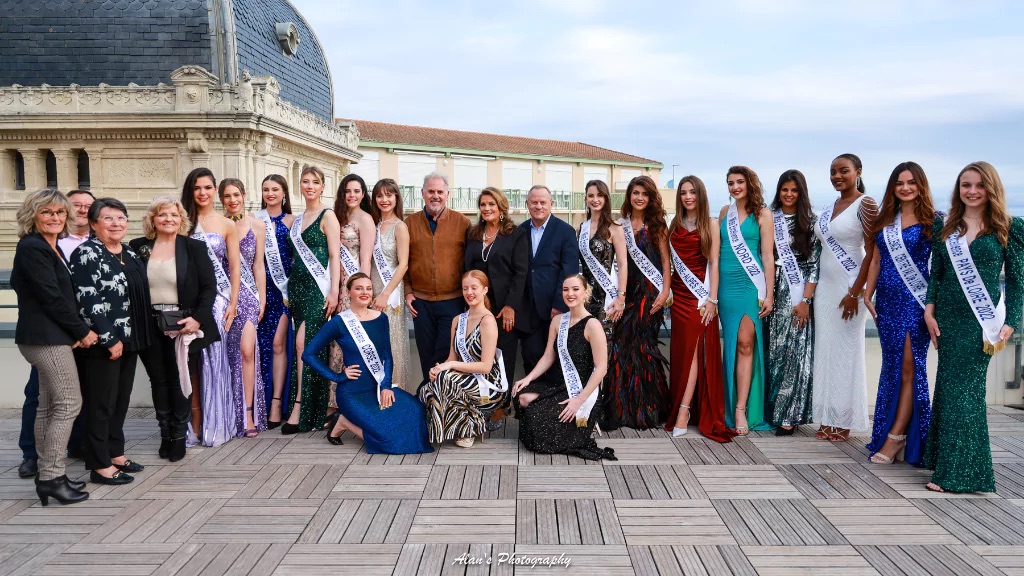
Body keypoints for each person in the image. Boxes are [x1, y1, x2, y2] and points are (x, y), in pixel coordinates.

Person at [923, 161, 1023, 493]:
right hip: (948, 320)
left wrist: (1013, 321)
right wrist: (929, 311)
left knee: (964, 393)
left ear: (991, 189)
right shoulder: (946, 227)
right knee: (950, 388)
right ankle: (949, 461)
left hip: (983, 323)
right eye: (966, 185)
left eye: (979, 185)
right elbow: (936, 275)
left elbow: (1019, 284)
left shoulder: (1009, 227)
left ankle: (960, 473)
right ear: (958, 189)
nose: (972, 191)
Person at [13, 188, 97, 505]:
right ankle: (51, 476)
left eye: (60, 213)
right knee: (69, 404)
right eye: (47, 212)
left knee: (49, 408)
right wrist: (81, 331)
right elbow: (52, 298)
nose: (55, 218)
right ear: (33, 215)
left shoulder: (53, 247)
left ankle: (50, 474)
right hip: (44, 338)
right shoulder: (33, 247)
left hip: (51, 336)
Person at [69, 197, 154, 485]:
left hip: (130, 339)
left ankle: (115, 452)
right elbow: (88, 299)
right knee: (100, 404)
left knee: (120, 401)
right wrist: (109, 338)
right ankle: (98, 463)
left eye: (120, 217)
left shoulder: (129, 252)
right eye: (108, 218)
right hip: (104, 343)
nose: (116, 223)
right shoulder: (86, 254)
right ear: (94, 224)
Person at [302, 273, 433, 454]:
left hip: (378, 389)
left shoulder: (381, 318)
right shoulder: (340, 322)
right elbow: (308, 354)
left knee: (415, 410)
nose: (365, 292)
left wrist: (386, 387)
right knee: (389, 438)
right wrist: (337, 376)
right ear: (348, 292)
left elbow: (387, 355)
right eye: (359, 288)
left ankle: (351, 422)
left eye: (368, 288)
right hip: (352, 393)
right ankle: (343, 422)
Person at [131, 197, 218, 463]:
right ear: (152, 219)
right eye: (162, 215)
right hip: (148, 322)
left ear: (181, 219)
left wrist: (197, 320)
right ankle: (165, 434)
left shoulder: (193, 248)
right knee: (158, 380)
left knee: (180, 379)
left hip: (182, 324)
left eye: (173, 214)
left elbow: (208, 288)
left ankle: (179, 436)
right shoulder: (137, 247)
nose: (168, 219)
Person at [863, 162, 937, 464]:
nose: (905, 188)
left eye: (911, 182)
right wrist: (867, 294)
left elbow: (941, 267)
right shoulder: (885, 221)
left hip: (915, 302)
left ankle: (896, 438)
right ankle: (894, 432)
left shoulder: (934, 222)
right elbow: (877, 261)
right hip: (887, 303)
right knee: (893, 367)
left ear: (921, 186)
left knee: (910, 366)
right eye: (899, 183)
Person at [514, 274, 616, 460]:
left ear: (585, 293)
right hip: (558, 384)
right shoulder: (558, 321)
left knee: (536, 416)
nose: (570, 294)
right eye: (566, 289)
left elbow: (601, 368)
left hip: (583, 391)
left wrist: (578, 400)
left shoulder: (592, 325)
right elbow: (547, 357)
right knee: (522, 398)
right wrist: (527, 378)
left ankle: (577, 428)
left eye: (575, 289)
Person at [813, 154, 878, 442]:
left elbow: (873, 251)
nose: (837, 176)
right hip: (825, 289)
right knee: (826, 352)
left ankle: (845, 420)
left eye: (844, 171)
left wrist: (856, 292)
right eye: (833, 172)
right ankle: (828, 417)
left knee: (847, 354)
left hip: (849, 287)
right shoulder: (828, 208)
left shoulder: (866, 204)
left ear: (858, 172)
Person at [666, 176, 735, 442]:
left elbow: (714, 264)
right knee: (683, 353)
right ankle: (683, 407)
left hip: (700, 298)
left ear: (700, 194)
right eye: (683, 192)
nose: (687, 197)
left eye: (692, 192)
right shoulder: (675, 224)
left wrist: (712, 300)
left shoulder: (711, 225)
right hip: (679, 297)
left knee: (695, 352)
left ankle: (683, 412)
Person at [602, 175, 671, 430]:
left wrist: (665, 292)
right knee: (621, 347)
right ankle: (622, 410)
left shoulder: (658, 226)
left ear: (651, 198)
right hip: (626, 294)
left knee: (644, 348)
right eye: (635, 193)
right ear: (629, 196)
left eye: (644, 194)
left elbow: (666, 263)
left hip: (650, 296)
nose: (639, 198)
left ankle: (647, 409)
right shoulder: (619, 226)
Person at [181, 167, 240, 446]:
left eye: (207, 187)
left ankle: (215, 424)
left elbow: (235, 267)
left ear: (215, 189)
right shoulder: (181, 221)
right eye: (197, 188)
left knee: (214, 360)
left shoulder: (227, 224)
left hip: (218, 301)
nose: (202, 193)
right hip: (186, 301)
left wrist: (234, 302)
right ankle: (192, 424)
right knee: (188, 362)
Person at [419, 271, 509, 447]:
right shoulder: (457, 320)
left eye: (474, 288)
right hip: (463, 377)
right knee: (428, 387)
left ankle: (469, 427)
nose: (469, 292)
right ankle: (459, 425)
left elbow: (486, 367)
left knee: (446, 379)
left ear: (485, 290)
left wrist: (450, 366)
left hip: (488, 384)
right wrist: (438, 368)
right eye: (465, 288)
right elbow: (451, 357)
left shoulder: (488, 320)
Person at [717, 166, 775, 435]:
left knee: (745, 344)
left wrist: (769, 294)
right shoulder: (723, 214)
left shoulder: (763, 214)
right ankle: (729, 406)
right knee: (731, 345)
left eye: (739, 182)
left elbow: (767, 257)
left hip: (751, 287)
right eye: (731, 183)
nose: (735, 187)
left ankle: (741, 408)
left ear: (750, 184)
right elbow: (715, 255)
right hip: (727, 288)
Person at [284, 166, 342, 433]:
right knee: (304, 347)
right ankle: (311, 410)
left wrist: (333, 292)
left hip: (319, 289)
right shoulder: (297, 219)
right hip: (297, 287)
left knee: (303, 345)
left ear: (322, 187)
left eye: (315, 182)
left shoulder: (328, 216)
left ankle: (301, 408)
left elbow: (334, 256)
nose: (309, 186)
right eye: (305, 182)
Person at [766, 170, 821, 435]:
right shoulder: (767, 216)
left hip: (796, 291)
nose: (788, 194)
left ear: (802, 193)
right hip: (770, 288)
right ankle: (770, 410)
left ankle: (789, 414)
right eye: (784, 189)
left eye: (794, 190)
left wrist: (806, 300)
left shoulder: (810, 222)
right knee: (772, 351)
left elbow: (814, 264)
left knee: (794, 354)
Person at [405, 172, 472, 383]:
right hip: (420, 303)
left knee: (444, 355)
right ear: (422, 193)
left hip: (452, 302)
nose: (436, 196)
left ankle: (443, 403)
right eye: (431, 191)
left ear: (448, 194)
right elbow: (403, 262)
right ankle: (428, 404)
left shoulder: (462, 223)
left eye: (440, 192)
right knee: (426, 355)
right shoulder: (409, 223)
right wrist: (408, 292)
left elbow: (470, 264)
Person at [465, 187, 530, 392]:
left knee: (504, 356)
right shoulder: (474, 234)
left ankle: (501, 405)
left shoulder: (516, 234)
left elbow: (521, 273)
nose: (486, 208)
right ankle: (482, 400)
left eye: (491, 204)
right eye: (483, 204)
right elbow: (467, 268)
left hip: (504, 308)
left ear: (501, 206)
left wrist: (511, 305)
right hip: (478, 305)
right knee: (478, 353)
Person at [220, 179, 268, 438]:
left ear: (244, 195)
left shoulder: (257, 225)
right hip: (223, 296)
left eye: (236, 194)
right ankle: (228, 414)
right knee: (226, 356)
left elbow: (258, 265)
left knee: (247, 352)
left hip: (248, 297)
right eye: (227, 196)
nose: (232, 200)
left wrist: (261, 298)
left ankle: (249, 414)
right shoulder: (218, 225)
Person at [519, 185, 580, 377]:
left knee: (556, 360)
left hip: (555, 308)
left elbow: (568, 271)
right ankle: (531, 404)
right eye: (534, 202)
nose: (538, 206)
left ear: (551, 204)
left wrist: (559, 303)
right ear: (527, 204)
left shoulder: (566, 231)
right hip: (527, 308)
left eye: (543, 202)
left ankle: (550, 404)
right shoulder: (519, 231)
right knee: (529, 356)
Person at [330, 174, 377, 413]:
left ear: (363, 194)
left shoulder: (365, 219)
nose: (352, 195)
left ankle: (353, 400)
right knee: (336, 341)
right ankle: (334, 400)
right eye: (348, 191)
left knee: (351, 342)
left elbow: (365, 261)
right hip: (336, 286)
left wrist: (361, 294)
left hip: (353, 287)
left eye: (357, 191)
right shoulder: (337, 216)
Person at [254, 174, 295, 429]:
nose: (270, 193)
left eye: (275, 189)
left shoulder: (293, 221)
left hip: (283, 291)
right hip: (258, 290)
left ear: (284, 193)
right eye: (266, 189)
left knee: (279, 344)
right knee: (260, 346)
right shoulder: (254, 220)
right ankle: (259, 401)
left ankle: (277, 403)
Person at [368, 178, 415, 392]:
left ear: (396, 197)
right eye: (379, 195)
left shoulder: (400, 227)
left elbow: (403, 264)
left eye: (389, 195)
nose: (384, 199)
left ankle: (394, 394)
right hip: (371, 292)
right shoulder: (372, 224)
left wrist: (385, 294)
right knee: (373, 345)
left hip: (390, 294)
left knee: (391, 345)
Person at [578, 180, 627, 345]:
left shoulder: (614, 227)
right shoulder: (581, 228)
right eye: (590, 195)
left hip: (607, 295)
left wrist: (620, 298)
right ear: (586, 199)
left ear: (606, 198)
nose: (595, 199)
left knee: (605, 345)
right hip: (585, 297)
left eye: (599, 195)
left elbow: (622, 264)